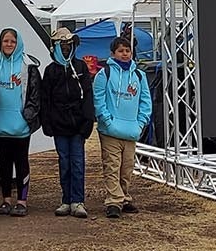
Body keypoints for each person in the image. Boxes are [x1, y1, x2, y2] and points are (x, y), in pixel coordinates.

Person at [92, 34, 153, 218]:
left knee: (126, 168)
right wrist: (106, 120)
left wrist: (141, 122)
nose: (125, 54)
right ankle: (114, 201)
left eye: (127, 51)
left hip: (131, 130)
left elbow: (145, 101)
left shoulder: (139, 75)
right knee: (112, 166)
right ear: (113, 54)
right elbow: (99, 99)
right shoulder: (104, 74)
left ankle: (124, 197)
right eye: (121, 51)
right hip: (110, 130)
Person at [42, 27, 95, 218]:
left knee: (78, 162)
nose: (65, 48)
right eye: (62, 45)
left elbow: (88, 96)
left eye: (68, 44)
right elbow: (45, 99)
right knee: (64, 162)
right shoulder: (50, 71)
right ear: (55, 47)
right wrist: (47, 122)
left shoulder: (81, 67)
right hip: (59, 124)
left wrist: (88, 121)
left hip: (78, 124)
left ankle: (77, 201)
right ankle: (65, 200)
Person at [0, 27, 41, 216]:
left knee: (21, 163)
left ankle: (22, 200)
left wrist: (27, 118)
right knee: (4, 163)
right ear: (0, 43)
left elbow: (35, 96)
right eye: (5, 41)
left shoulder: (28, 65)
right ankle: (5, 200)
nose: (9, 44)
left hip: (20, 126)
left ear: (18, 43)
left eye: (12, 41)